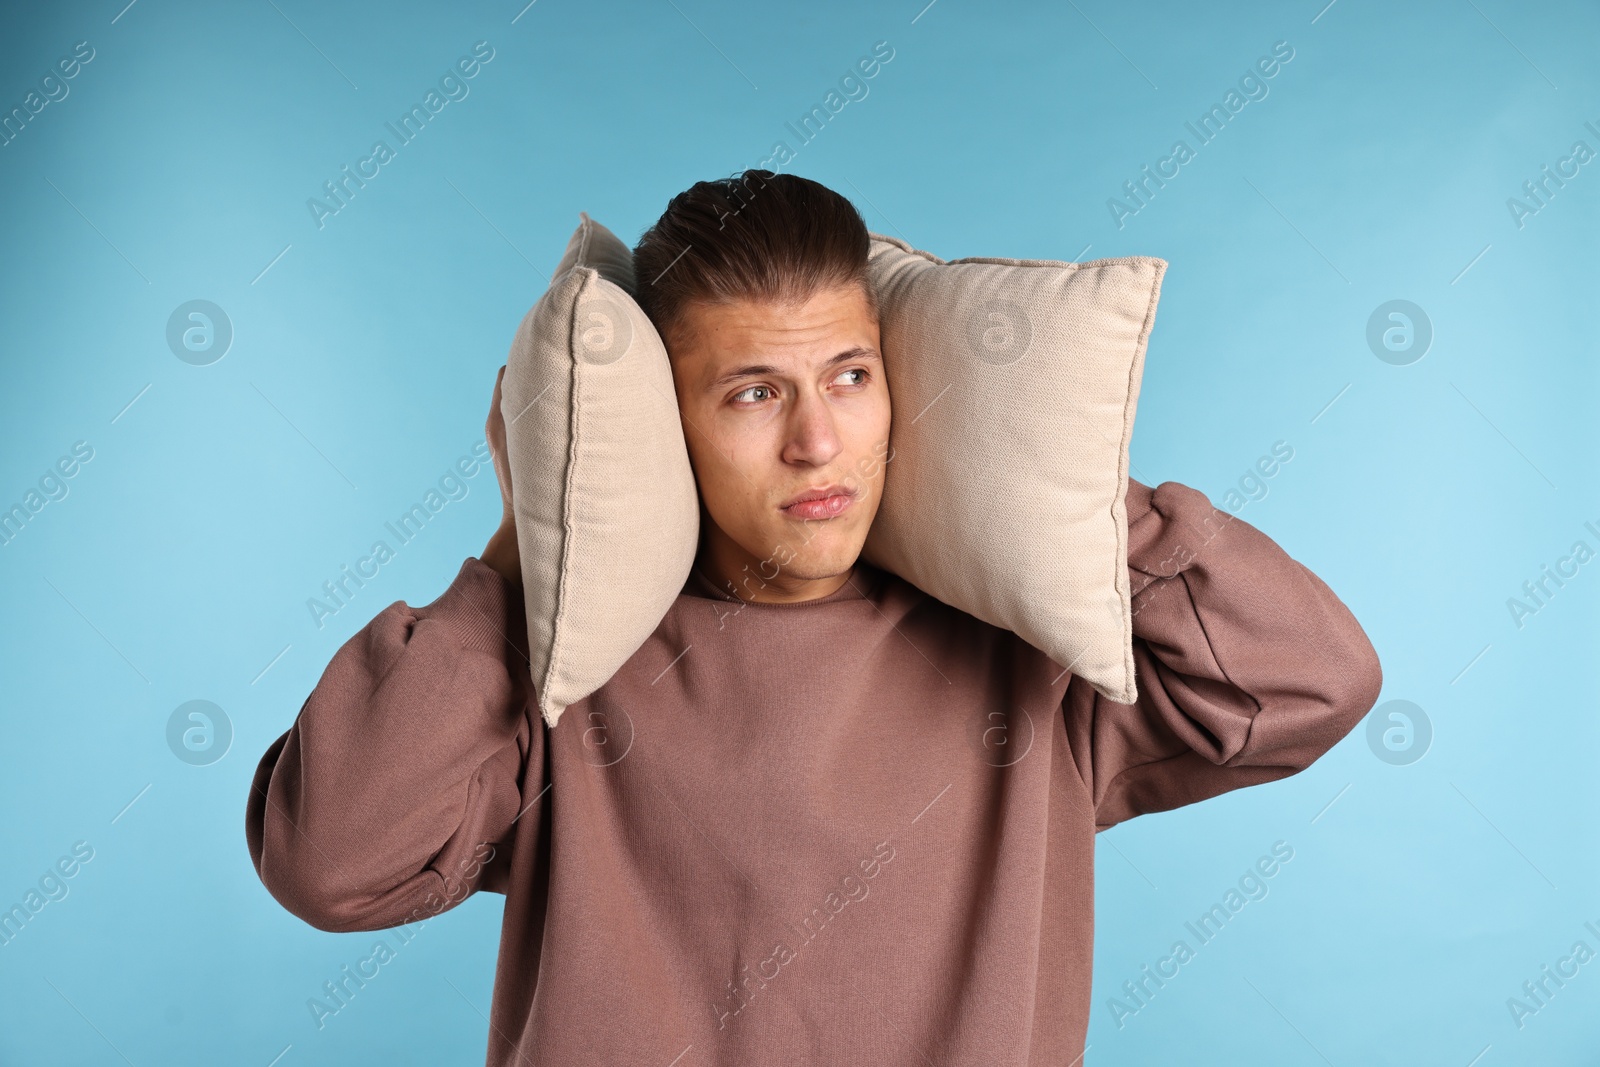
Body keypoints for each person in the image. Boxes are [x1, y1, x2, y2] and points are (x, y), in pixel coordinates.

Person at [245, 170, 1383, 1065]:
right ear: (662, 419)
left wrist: (1065, 492)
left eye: (849, 374)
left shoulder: (1025, 659)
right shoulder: (566, 672)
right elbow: (331, 862)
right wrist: (525, 539)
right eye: (752, 391)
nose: (817, 442)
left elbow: (1307, 686)